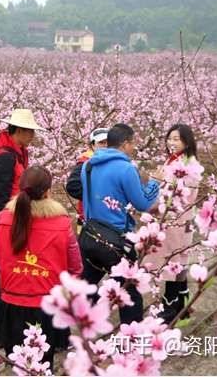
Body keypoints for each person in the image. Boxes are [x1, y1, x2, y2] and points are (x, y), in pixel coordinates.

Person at [0, 166, 82, 366]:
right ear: (47, 191)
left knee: (15, 362)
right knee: (43, 364)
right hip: (47, 306)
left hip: (11, 303)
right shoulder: (61, 223)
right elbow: (76, 268)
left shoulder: (4, 219)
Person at [78, 123, 160, 324]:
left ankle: (77, 327)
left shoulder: (87, 166)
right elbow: (143, 204)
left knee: (84, 285)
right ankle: (130, 341)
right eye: (132, 143)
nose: (133, 148)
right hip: (117, 241)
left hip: (90, 236)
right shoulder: (126, 168)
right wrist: (154, 182)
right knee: (130, 293)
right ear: (124, 144)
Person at [0, 109, 44, 325]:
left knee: (8, 262)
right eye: (30, 132)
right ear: (20, 131)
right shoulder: (6, 157)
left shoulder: (16, 152)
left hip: (12, 216)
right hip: (5, 219)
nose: (32, 136)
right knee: (2, 264)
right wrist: (4, 223)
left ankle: (1, 306)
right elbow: (1, 194)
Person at [143, 124, 201, 324]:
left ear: (187, 141)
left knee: (173, 261)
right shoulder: (175, 159)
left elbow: (182, 194)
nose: (171, 142)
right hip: (171, 217)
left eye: (176, 139)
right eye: (170, 138)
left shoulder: (190, 165)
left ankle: (171, 308)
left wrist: (156, 187)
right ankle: (181, 305)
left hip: (177, 218)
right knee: (176, 260)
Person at [66, 128, 109, 225]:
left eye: (108, 143)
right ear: (93, 145)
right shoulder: (85, 163)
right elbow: (73, 186)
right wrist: (95, 196)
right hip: (89, 218)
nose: (106, 146)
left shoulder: (113, 162)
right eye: (102, 143)